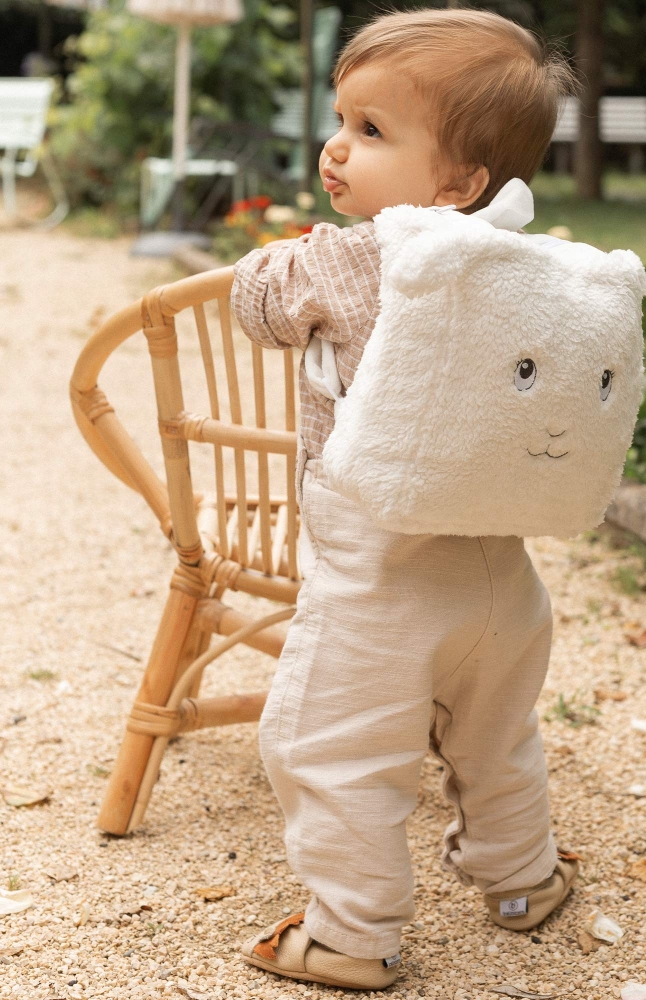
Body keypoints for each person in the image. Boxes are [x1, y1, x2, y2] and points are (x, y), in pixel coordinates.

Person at [230, 9, 579, 991]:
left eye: (374, 131)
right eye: (342, 120)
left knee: (330, 753)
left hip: (378, 583)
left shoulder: (345, 259)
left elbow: (254, 306)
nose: (338, 146)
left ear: (458, 183)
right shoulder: (522, 264)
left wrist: (278, 258)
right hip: (500, 579)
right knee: (496, 740)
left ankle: (349, 935)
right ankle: (524, 883)